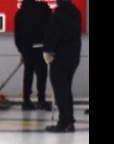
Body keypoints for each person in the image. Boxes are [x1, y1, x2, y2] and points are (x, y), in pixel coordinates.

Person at [42, 0, 82, 133]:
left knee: (60, 91)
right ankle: (68, 120)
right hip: (73, 57)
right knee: (66, 89)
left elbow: (52, 36)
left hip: (59, 58)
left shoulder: (57, 17)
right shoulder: (76, 14)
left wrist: (47, 51)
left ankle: (64, 121)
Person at [14, 0, 51, 111]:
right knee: (42, 74)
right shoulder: (43, 9)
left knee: (28, 74)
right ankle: (41, 100)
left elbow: (18, 35)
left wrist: (22, 51)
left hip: (27, 48)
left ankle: (26, 101)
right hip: (41, 47)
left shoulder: (20, 13)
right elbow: (50, 28)